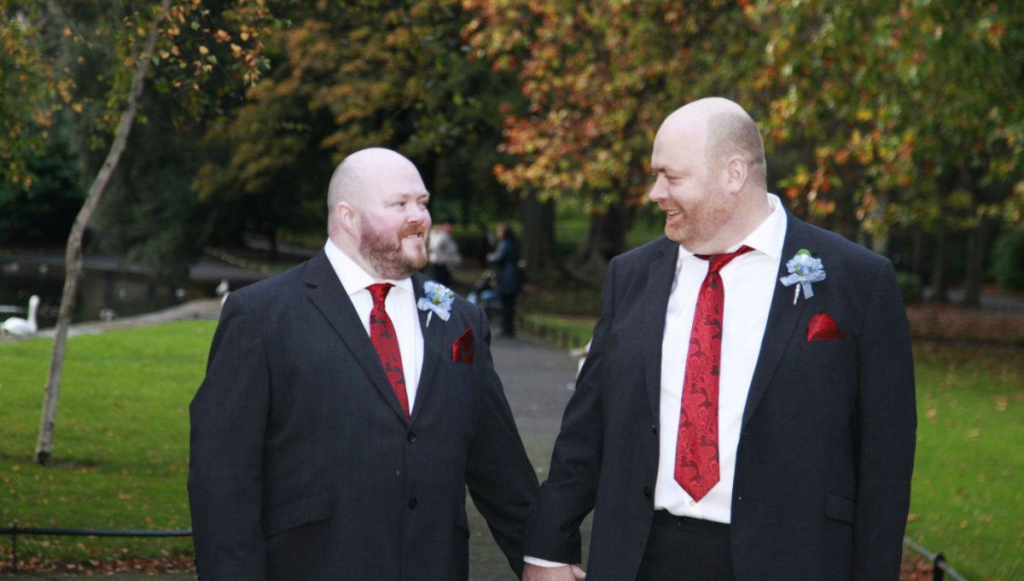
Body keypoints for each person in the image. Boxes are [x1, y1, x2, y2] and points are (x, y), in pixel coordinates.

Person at [522, 98, 916, 581]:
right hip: (639, 557)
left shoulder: (857, 281)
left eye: (671, 177)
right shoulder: (631, 276)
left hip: (792, 559)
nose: (655, 193)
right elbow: (588, 424)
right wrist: (547, 548)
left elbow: (885, 463)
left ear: (733, 174)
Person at [188, 148, 538, 581]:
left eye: (423, 203)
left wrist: (543, 557)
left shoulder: (460, 319)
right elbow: (222, 478)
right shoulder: (262, 316)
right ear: (348, 217)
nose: (420, 218)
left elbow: (499, 463)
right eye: (400, 204)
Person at [488, 223, 524, 337]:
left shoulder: (505, 244)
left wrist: (490, 257)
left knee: (505, 304)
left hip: (506, 278)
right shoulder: (513, 244)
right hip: (513, 278)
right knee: (510, 304)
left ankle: (506, 329)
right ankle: (509, 328)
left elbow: (498, 258)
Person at [427, 215, 461, 287]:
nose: (451, 228)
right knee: (441, 285)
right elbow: (435, 247)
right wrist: (444, 259)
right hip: (441, 265)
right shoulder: (442, 235)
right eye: (448, 225)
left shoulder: (441, 234)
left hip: (441, 264)